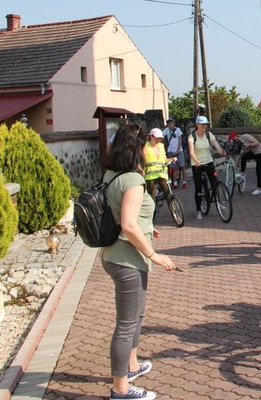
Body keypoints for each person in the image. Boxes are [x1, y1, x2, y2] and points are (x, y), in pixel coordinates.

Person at [101, 122, 176, 400]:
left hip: (115, 255)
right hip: (127, 260)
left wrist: (148, 226)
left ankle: (131, 366)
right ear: (138, 148)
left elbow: (126, 214)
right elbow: (128, 224)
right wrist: (154, 254)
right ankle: (120, 389)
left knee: (135, 317)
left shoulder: (112, 174)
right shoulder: (132, 180)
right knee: (126, 323)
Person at [187, 116, 226, 220]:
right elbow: (191, 152)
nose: (205, 126)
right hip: (197, 164)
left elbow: (216, 145)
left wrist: (222, 152)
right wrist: (196, 161)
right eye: (202, 124)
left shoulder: (209, 134)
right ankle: (199, 210)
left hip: (208, 161)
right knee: (198, 187)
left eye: (206, 124)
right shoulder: (192, 137)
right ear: (197, 125)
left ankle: (219, 201)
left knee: (215, 181)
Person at [143, 128, 176, 203]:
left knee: (168, 194)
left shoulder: (161, 146)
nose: (159, 140)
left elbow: (164, 159)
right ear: (151, 136)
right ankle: (152, 212)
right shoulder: (145, 146)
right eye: (157, 138)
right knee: (152, 196)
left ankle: (174, 212)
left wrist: (171, 159)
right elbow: (142, 159)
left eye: (160, 138)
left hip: (161, 173)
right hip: (150, 175)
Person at [162, 117, 186, 189]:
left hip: (179, 151)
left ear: (174, 124)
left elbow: (180, 140)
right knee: (174, 168)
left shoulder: (177, 130)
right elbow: (161, 135)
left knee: (182, 167)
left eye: (171, 124)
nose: (170, 125)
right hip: (171, 151)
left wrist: (178, 150)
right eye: (169, 124)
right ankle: (175, 183)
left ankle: (184, 182)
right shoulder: (166, 130)